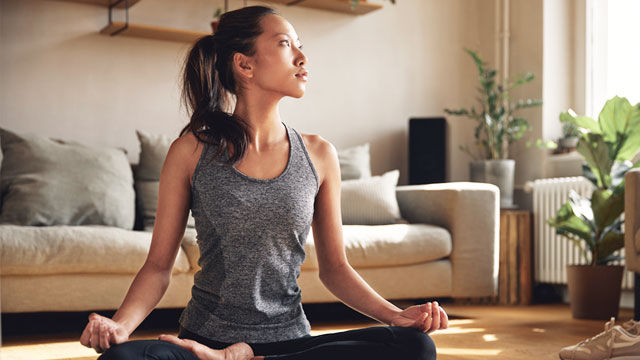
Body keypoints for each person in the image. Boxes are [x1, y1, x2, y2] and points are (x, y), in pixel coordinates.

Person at [79, 5, 447, 360]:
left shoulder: (319, 155)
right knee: (123, 358)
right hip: (203, 343)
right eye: (286, 44)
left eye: (300, 45)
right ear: (245, 64)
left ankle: (245, 359)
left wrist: (396, 317)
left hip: (290, 343)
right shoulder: (191, 151)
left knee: (414, 347)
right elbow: (159, 267)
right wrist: (120, 326)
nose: (302, 57)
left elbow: (336, 270)